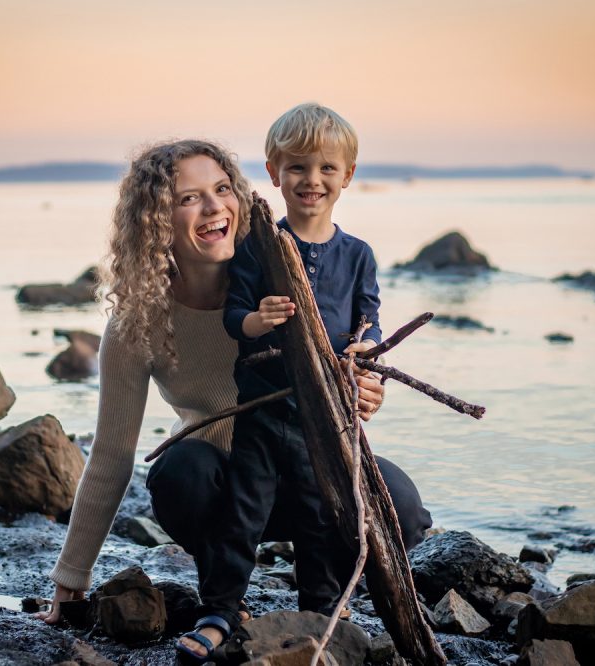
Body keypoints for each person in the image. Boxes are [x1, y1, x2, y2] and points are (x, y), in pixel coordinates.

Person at [35, 139, 431, 642]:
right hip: (221, 490)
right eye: (188, 197)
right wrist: (71, 580)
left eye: (223, 189)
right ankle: (224, 595)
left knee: (402, 506)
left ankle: (328, 595)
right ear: (156, 219)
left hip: (306, 478)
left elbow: (347, 354)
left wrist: (363, 388)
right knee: (180, 471)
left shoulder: (280, 284)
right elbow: (112, 453)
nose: (214, 205)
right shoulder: (139, 321)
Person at [176, 104, 384, 661]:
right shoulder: (258, 246)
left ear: (348, 175)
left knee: (321, 514)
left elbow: (369, 320)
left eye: (325, 169)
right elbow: (233, 318)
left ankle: (320, 612)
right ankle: (221, 607)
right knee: (244, 509)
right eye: (296, 168)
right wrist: (257, 320)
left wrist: (364, 351)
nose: (310, 180)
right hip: (263, 411)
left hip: (325, 415)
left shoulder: (358, 255)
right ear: (273, 173)